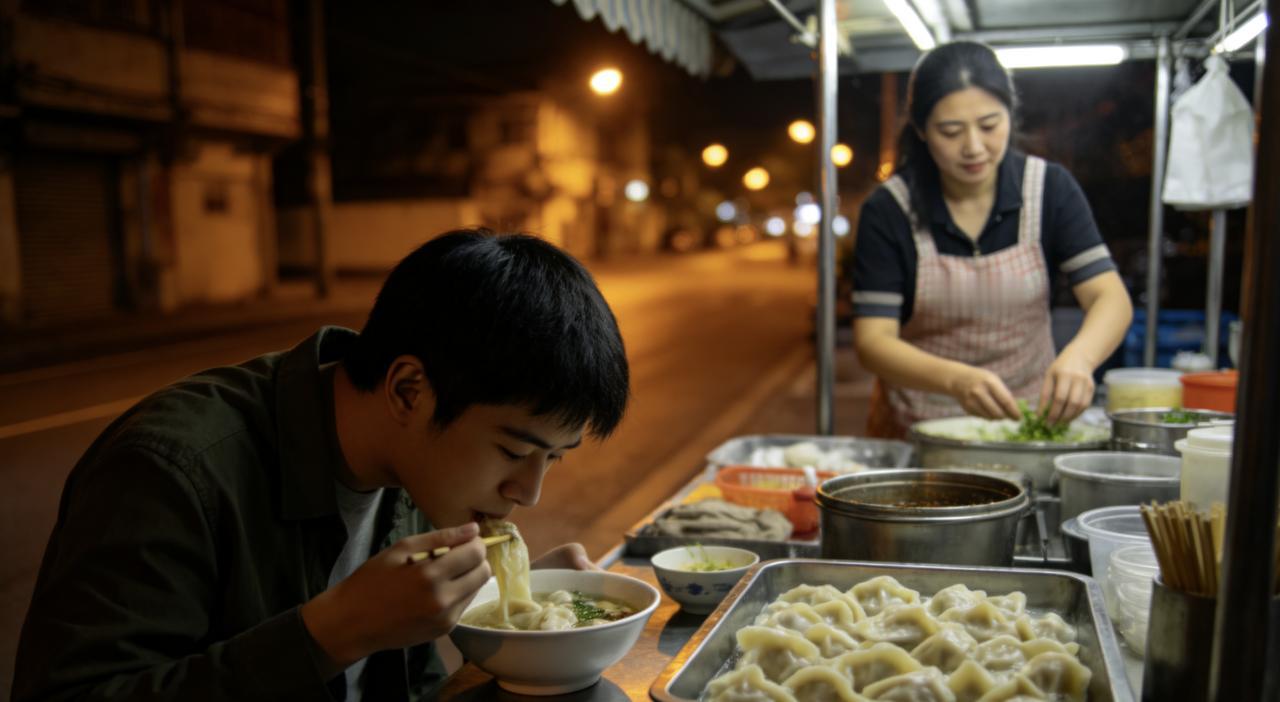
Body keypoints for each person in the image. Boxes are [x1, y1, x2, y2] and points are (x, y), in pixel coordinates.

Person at [12, 229, 630, 701]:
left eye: (554, 457)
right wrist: (331, 632)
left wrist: (515, 615)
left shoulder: (417, 470)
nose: (530, 492)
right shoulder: (171, 471)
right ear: (409, 390)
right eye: (516, 452)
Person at [851, 41, 1133, 439]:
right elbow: (873, 341)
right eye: (950, 131)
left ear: (1011, 114)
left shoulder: (1048, 189)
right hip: (917, 430)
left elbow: (1110, 297)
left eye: (989, 125)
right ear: (920, 130)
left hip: (1029, 426)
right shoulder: (889, 210)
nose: (974, 147)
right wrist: (955, 380)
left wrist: (1080, 359)